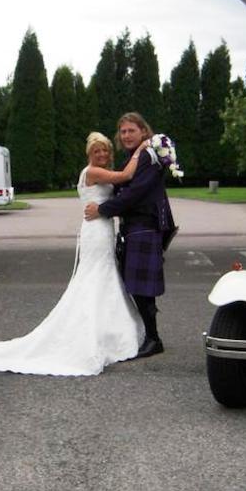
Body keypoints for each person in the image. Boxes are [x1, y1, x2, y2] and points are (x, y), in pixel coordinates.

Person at [0, 132, 146, 376]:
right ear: (89, 154)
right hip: (96, 230)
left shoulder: (97, 172)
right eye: (97, 151)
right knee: (95, 277)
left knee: (103, 275)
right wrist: (143, 149)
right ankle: (92, 332)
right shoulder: (92, 172)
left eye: (105, 150)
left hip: (103, 227)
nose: (102, 154)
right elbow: (127, 176)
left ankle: (108, 330)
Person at [84, 112, 176, 358]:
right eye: (122, 131)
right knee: (135, 285)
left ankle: (154, 339)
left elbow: (134, 192)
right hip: (133, 228)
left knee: (141, 287)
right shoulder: (136, 156)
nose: (126, 136)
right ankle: (149, 335)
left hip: (144, 226)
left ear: (143, 132)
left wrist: (102, 209)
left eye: (131, 131)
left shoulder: (148, 156)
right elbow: (123, 185)